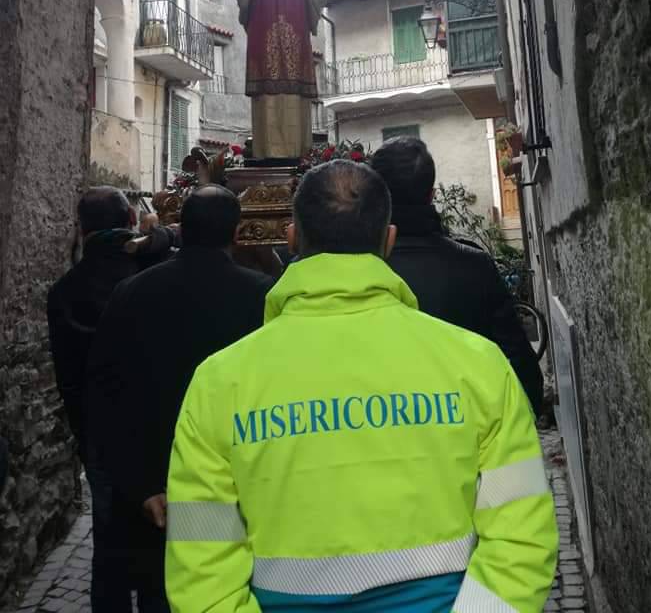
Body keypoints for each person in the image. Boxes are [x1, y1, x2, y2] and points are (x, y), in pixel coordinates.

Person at [166, 161, 558, 612]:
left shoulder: (218, 381)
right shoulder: (478, 364)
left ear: (292, 238)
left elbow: (202, 571)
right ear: (387, 241)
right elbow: (522, 537)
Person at [88, 186, 273, 612]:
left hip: (155, 493)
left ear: (181, 229)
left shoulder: (131, 293)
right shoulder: (260, 296)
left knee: (159, 591)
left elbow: (104, 397)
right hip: (235, 487)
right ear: (237, 233)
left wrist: (141, 486)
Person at [47, 186, 177, 613]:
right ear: (129, 224)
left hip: (101, 439)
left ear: (81, 228)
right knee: (161, 548)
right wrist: (153, 237)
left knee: (109, 554)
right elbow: (174, 239)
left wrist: (85, 440)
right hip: (157, 433)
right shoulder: (149, 274)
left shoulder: (65, 291)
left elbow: (69, 381)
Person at [371, 136, 545, 416]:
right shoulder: (475, 266)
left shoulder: (361, 272)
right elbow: (523, 378)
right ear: (430, 194)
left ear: (374, 196)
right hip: (470, 437)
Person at [234, 0, 326, 161]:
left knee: (266, 92)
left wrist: (249, 19)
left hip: (262, 36)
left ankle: (267, 155)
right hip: (296, 34)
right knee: (296, 96)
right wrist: (309, 20)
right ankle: (298, 154)